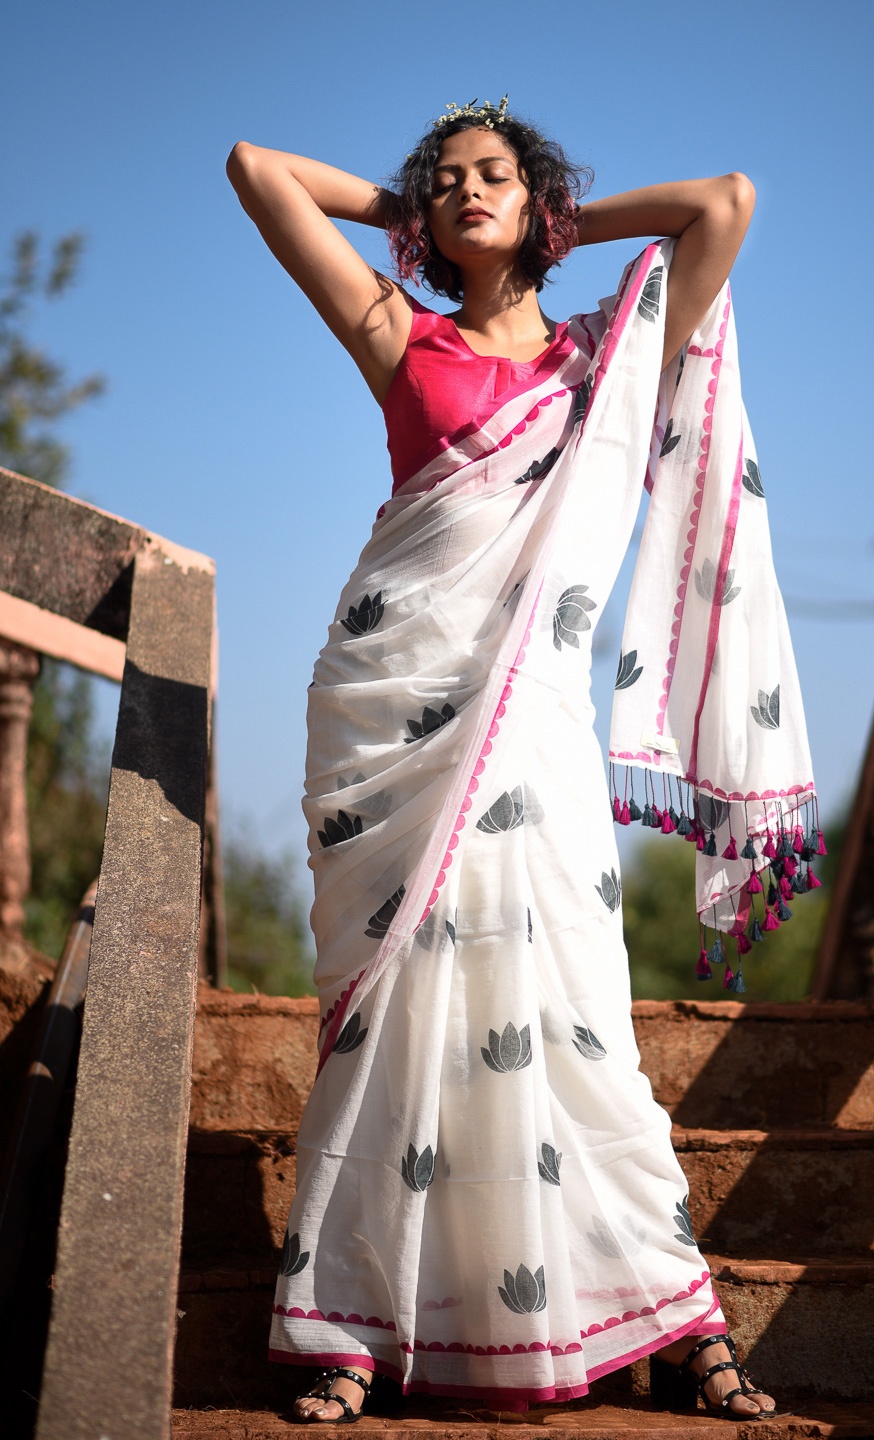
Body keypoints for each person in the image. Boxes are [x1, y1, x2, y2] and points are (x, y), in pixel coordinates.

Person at [227, 96, 814, 1425]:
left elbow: (723, 200)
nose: (463, 191)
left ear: (534, 197)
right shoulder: (400, 332)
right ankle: (350, 1329)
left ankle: (675, 1311)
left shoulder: (609, 358)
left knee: (577, 1010)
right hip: (391, 707)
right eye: (444, 182)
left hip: (534, 711)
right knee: (387, 1020)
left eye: (491, 175)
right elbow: (258, 171)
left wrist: (551, 225)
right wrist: (412, 218)